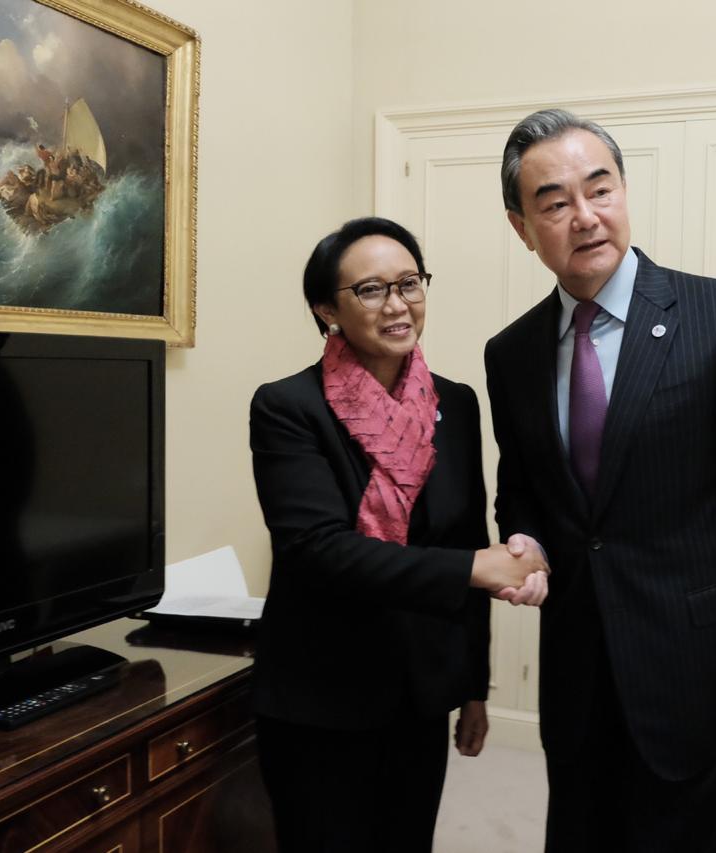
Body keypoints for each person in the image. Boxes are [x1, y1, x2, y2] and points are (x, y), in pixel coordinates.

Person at [483, 109, 716, 852]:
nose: (585, 216)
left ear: (624, 191)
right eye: (555, 202)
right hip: (577, 673)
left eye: (600, 189)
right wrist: (523, 539)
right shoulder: (513, 352)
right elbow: (522, 490)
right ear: (521, 226)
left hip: (693, 671)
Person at [249, 216, 549, 852]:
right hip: (319, 692)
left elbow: (466, 531)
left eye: (409, 283)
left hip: (419, 689)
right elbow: (316, 551)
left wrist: (471, 689)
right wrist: (472, 568)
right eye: (371, 290)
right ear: (327, 308)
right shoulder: (288, 407)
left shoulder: (457, 404)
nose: (397, 305)